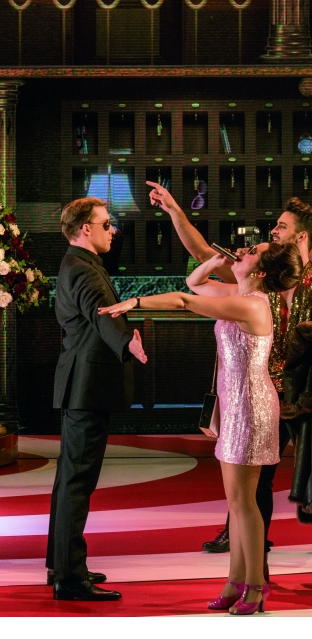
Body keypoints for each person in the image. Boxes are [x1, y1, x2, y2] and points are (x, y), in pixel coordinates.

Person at [100, 241, 302, 613]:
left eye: (252, 251)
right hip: (236, 405)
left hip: (251, 407)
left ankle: (255, 586)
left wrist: (135, 302)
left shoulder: (252, 304)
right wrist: (214, 261)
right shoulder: (238, 294)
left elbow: (184, 300)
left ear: (260, 272)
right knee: (236, 503)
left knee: (244, 504)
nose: (242, 250)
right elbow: (194, 283)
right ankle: (235, 581)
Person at [148, 183, 311, 567]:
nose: (273, 231)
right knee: (258, 481)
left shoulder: (285, 273)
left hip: (304, 393)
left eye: (282, 227)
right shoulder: (263, 273)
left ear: (302, 236)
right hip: (264, 392)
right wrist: (174, 211)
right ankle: (255, 564)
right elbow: (204, 257)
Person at [48, 198, 147, 601]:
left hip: (81, 385)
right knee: (77, 482)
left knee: (69, 480)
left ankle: (61, 564)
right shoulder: (82, 269)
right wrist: (127, 342)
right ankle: (70, 578)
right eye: (106, 224)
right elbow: (101, 312)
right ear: (85, 229)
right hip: (87, 387)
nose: (113, 230)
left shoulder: (78, 263)